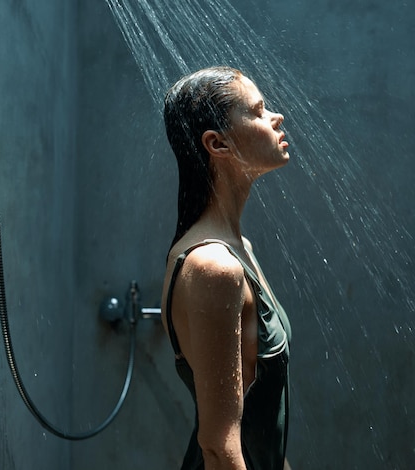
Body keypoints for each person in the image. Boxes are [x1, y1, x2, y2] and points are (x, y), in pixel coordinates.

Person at [161, 66, 293, 470]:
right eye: (257, 111)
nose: (276, 117)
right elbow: (219, 447)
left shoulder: (239, 250)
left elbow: (262, 429)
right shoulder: (214, 266)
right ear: (216, 143)